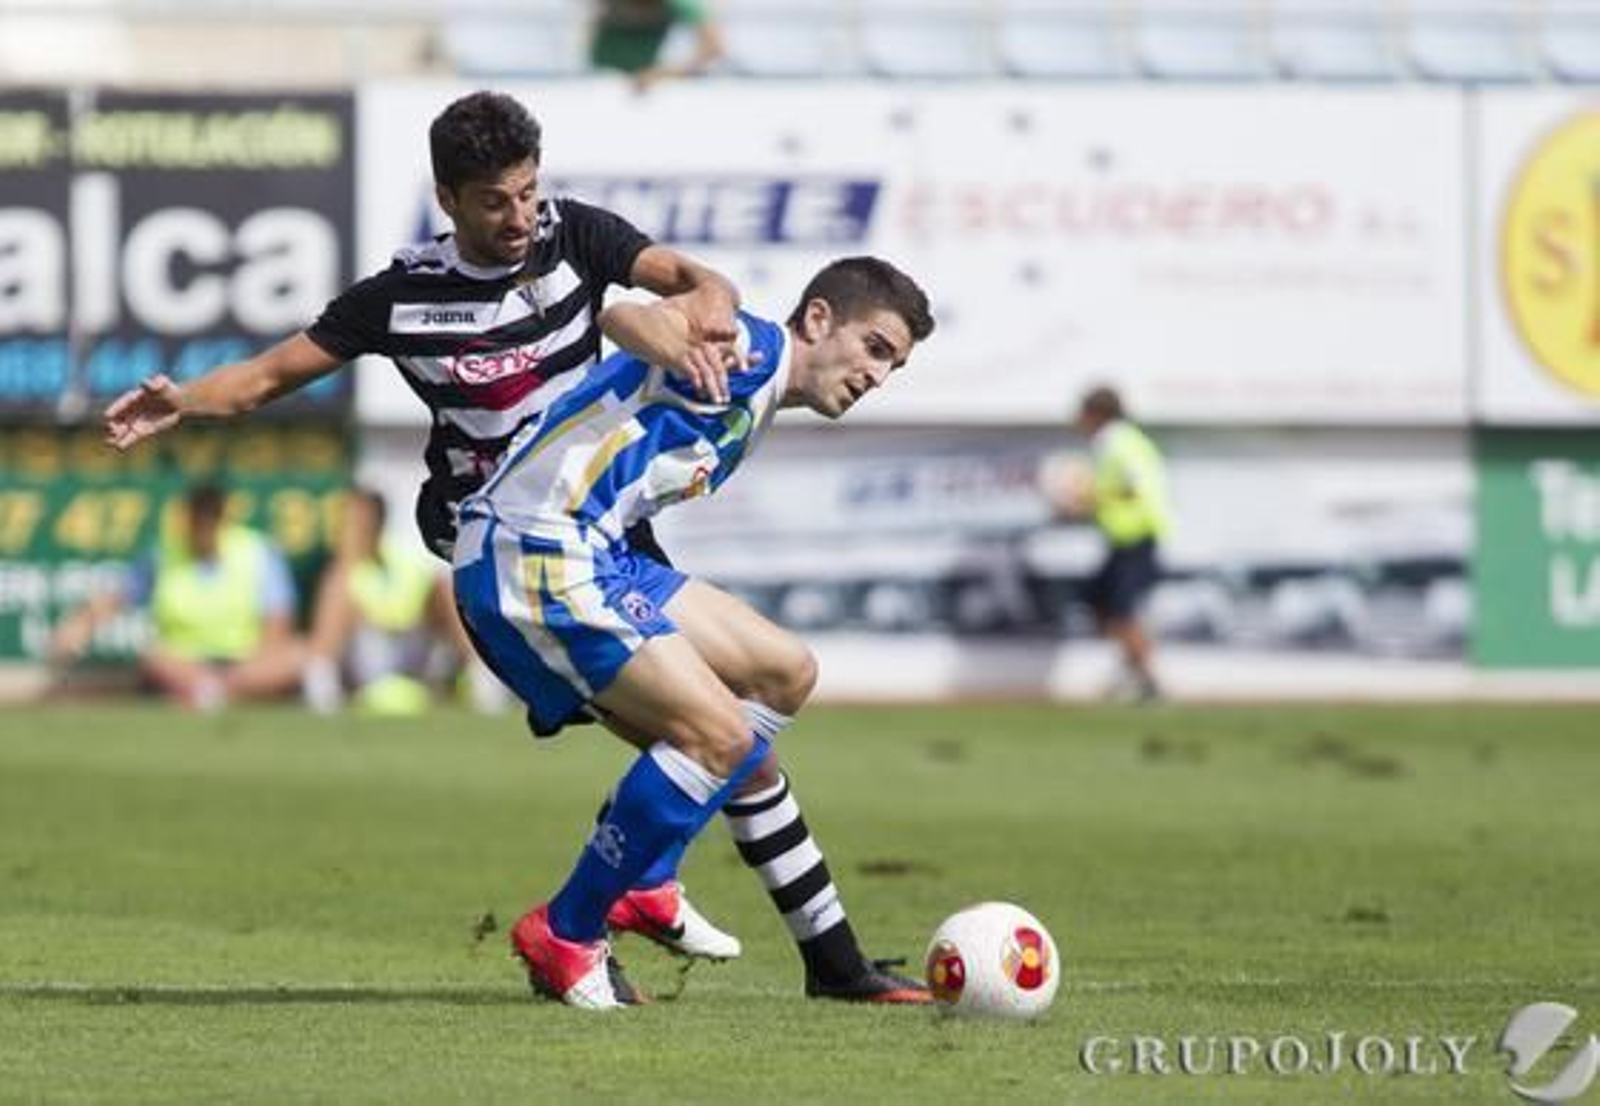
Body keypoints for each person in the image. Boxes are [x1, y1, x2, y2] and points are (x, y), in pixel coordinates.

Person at [101, 92, 919, 1004]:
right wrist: (185, 400)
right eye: (496, 201)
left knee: (768, 697)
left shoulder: (579, 237)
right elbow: (267, 377)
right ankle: (589, 919)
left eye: (529, 192)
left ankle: (812, 956)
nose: (522, 216)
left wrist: (704, 308)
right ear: (448, 200)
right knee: (713, 742)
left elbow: (687, 284)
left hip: (601, 535)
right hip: (516, 543)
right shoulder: (403, 298)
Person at [453, 255, 936, 1009]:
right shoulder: (751, 348)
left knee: (784, 671)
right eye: (874, 348)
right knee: (721, 738)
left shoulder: (760, 393)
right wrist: (673, 340)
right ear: (818, 320)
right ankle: (567, 930)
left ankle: (684, 896)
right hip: (536, 545)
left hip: (595, 553)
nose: (877, 376)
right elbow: (620, 315)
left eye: (893, 366)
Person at [48, 483, 305, 711]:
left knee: (299, 657)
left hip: (245, 661)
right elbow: (119, 596)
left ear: (223, 517)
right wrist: (81, 624)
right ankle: (220, 692)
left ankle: (215, 692)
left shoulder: (257, 551)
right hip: (182, 663)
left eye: (211, 515)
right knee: (153, 657)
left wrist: (257, 667)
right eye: (198, 515)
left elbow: (278, 624)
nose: (204, 524)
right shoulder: (163, 553)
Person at [302, 486, 504, 715]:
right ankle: (323, 689)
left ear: (376, 524)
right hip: (364, 664)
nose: (349, 531)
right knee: (336, 589)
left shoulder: (402, 560)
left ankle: (482, 677)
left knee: (445, 587)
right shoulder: (339, 576)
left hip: (412, 654)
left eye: (357, 522)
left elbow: (412, 600)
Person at [1066, 385, 1172, 703]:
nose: (1078, 422)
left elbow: (1133, 487)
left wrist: (1089, 498)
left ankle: (1149, 682)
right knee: (1101, 604)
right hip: (1123, 539)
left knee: (1122, 611)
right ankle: (1132, 670)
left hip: (1136, 537)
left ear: (1097, 415)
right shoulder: (1118, 442)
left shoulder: (1119, 443)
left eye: (1083, 414)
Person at [589, 0, 726, 91]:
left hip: (651, 84)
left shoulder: (681, 4)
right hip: (599, 78)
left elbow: (714, 48)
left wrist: (659, 74)